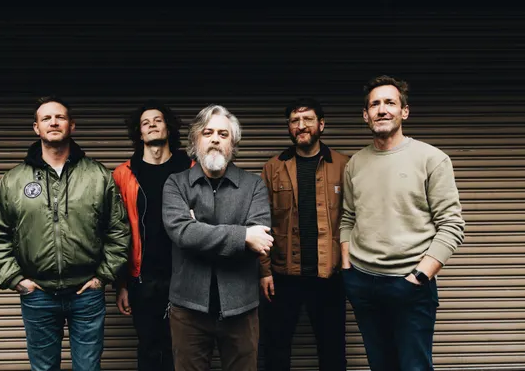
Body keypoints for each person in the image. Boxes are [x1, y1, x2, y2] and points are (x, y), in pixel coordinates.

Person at [0, 96, 130, 371]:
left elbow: (118, 230)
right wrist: (17, 280)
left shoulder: (97, 175)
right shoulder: (14, 180)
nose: (53, 122)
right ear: (36, 128)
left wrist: (102, 277)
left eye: (60, 117)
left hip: (86, 294)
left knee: (88, 368)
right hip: (38, 295)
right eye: (46, 118)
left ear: (72, 125)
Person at [340, 76, 466, 371]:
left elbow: (452, 225)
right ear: (366, 115)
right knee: (380, 365)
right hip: (363, 283)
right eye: (375, 104)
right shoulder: (355, 163)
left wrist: (420, 277)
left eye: (390, 103)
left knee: (414, 366)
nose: (382, 109)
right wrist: (347, 268)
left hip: (410, 284)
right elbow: (348, 217)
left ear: (404, 111)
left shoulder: (431, 159)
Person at [162, 104, 272, 371]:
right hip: (188, 308)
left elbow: (260, 241)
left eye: (223, 134)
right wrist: (242, 235)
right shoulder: (176, 183)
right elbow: (182, 233)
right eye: (207, 132)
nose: (215, 139)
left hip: (241, 308)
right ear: (195, 140)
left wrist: (198, 230)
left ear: (232, 143)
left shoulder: (254, 186)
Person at [260, 98, 348, 370]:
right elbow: (261, 222)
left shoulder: (344, 165)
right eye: (294, 121)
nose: (301, 126)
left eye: (308, 119)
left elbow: (354, 220)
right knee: (275, 351)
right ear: (289, 127)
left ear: (321, 124)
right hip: (283, 277)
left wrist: (351, 269)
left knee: (333, 352)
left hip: (330, 276)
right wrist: (264, 271)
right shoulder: (273, 168)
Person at [112, 102, 193, 371]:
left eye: (158, 120)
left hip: (185, 277)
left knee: (182, 349)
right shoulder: (124, 174)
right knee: (148, 348)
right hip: (142, 279)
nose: (152, 125)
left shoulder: (190, 168)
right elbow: (116, 232)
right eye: (145, 122)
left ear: (168, 127)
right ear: (139, 133)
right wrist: (121, 284)